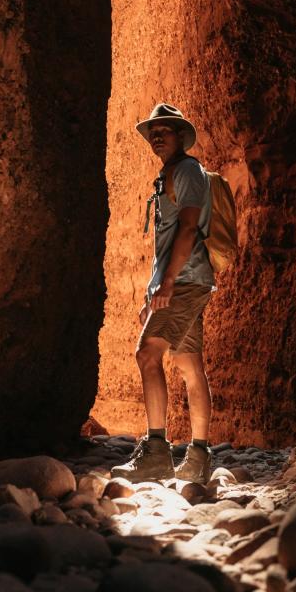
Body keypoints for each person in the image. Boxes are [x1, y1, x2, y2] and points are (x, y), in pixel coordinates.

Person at [111, 103, 215, 485]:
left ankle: (156, 452)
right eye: (153, 131)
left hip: (185, 280)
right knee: (189, 365)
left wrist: (169, 283)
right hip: (185, 279)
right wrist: (153, 288)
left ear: (180, 135)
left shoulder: (187, 170)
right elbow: (168, 238)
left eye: (164, 130)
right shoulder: (168, 173)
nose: (157, 136)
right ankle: (199, 457)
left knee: (147, 353)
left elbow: (188, 229)